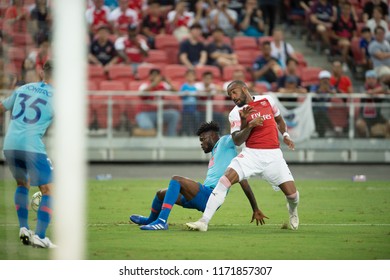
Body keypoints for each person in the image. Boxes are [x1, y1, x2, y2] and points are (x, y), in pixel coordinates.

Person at [186, 80, 299, 232]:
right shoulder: (235, 114)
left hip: (274, 156)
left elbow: (279, 119)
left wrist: (285, 134)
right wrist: (248, 123)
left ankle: (292, 211)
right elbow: (237, 140)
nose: (232, 97)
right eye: (229, 95)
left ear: (244, 89)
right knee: (224, 180)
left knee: (292, 196)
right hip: (251, 154)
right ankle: (203, 222)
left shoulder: (267, 100)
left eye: (234, 92)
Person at [130, 121, 268, 230]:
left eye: (203, 139)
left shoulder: (225, 142)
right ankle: (151, 220)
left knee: (176, 179)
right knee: (160, 194)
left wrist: (247, 124)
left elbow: (238, 138)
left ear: (213, 136)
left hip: (209, 196)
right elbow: (243, 181)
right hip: (201, 195)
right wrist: (255, 209)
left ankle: (161, 221)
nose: (201, 144)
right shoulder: (216, 153)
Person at [0, 60, 56, 248]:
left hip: (10, 144)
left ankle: (24, 228)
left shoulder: (23, 88)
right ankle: (40, 236)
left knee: (23, 183)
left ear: (42, 73)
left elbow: (2, 108)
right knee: (49, 190)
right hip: (31, 146)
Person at [135, 68, 180, 136]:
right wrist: (154, 84)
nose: (155, 77)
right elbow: (142, 94)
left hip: (160, 112)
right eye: (153, 75)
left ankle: (171, 137)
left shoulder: (163, 85)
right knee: (148, 129)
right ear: (150, 76)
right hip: (145, 113)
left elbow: (177, 92)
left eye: (157, 75)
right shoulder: (145, 85)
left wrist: (169, 82)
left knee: (174, 115)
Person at [356, 70, 390, 138]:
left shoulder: (381, 88)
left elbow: (385, 89)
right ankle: (365, 141)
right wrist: (375, 91)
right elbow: (367, 92)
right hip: (365, 117)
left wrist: (376, 91)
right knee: (359, 124)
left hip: (378, 116)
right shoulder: (362, 88)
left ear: (376, 80)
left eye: (373, 78)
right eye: (369, 78)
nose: (371, 80)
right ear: (366, 80)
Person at [330, 1, 357, 69]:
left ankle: (356, 63)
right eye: (345, 9)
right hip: (339, 39)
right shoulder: (337, 20)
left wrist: (353, 39)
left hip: (349, 39)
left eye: (348, 9)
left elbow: (354, 34)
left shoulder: (352, 21)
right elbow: (332, 34)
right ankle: (344, 63)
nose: (346, 11)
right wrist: (341, 38)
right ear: (342, 9)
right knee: (346, 44)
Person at [310, 70, 337, 137]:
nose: (325, 81)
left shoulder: (331, 87)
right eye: (323, 80)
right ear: (320, 80)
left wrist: (328, 91)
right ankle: (332, 129)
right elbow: (312, 94)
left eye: (327, 79)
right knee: (320, 113)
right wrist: (320, 91)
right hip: (315, 110)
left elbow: (334, 92)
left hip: (326, 110)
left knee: (322, 116)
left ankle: (321, 133)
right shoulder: (315, 86)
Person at [179, 69, 200, 136]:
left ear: (194, 77)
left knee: (195, 122)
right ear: (186, 77)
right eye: (189, 76)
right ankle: (185, 134)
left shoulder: (196, 86)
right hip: (186, 109)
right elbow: (180, 95)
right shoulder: (184, 86)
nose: (190, 77)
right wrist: (185, 93)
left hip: (194, 109)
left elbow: (199, 95)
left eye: (192, 76)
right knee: (185, 123)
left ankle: (194, 134)